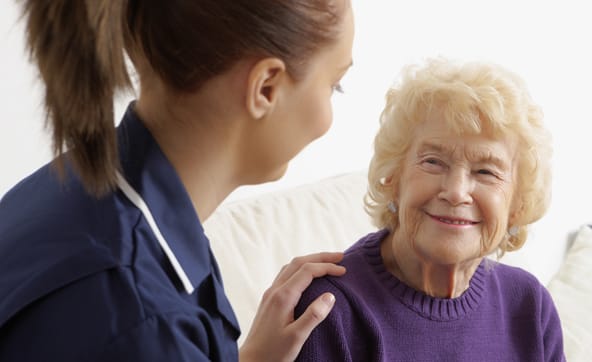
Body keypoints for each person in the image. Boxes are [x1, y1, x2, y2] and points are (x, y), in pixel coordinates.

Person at [0, 1, 354, 360]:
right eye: (334, 85)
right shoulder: (145, 322)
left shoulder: (73, 178)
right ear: (265, 88)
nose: (329, 120)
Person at [294, 58, 566, 361]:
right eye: (434, 162)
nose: (456, 192)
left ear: (517, 204)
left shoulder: (529, 305)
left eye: (486, 172)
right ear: (393, 177)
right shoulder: (332, 308)